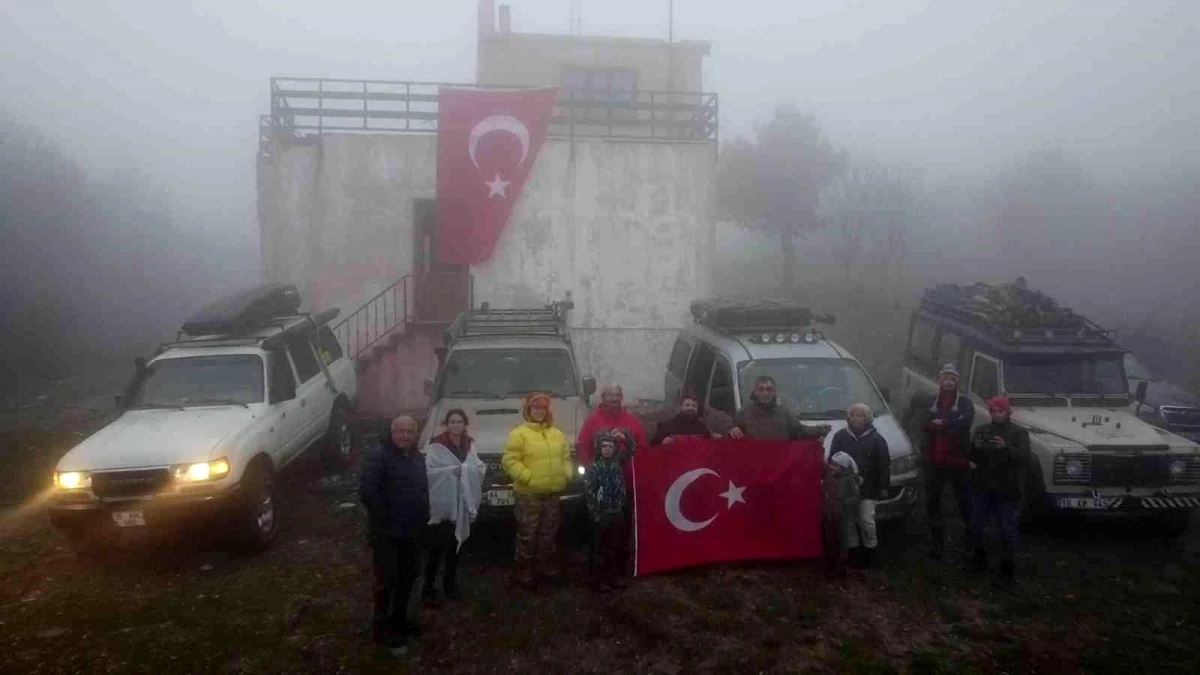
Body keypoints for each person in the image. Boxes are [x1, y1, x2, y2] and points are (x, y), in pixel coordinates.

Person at [359, 415, 429, 655]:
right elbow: (368, 492)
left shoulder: (416, 457)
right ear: (392, 432)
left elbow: (422, 490)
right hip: (387, 534)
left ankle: (400, 621)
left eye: (410, 431)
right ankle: (381, 629)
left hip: (412, 532)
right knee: (385, 582)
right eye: (401, 431)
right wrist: (389, 519)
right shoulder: (379, 456)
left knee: (407, 578)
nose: (406, 435)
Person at [902, 363, 975, 560]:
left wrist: (944, 423)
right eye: (946, 378)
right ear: (940, 380)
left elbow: (966, 422)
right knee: (933, 503)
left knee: (965, 503)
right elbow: (924, 423)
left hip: (958, 462)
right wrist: (950, 421)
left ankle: (972, 542)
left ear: (957, 383)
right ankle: (937, 545)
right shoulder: (931, 401)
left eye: (953, 379)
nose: (949, 382)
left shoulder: (965, 403)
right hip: (933, 461)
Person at [502, 392, 572, 588]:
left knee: (548, 532)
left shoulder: (557, 434)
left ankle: (545, 567)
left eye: (543, 408)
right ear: (528, 411)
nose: (539, 411)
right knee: (527, 533)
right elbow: (509, 460)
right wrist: (528, 478)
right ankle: (523, 571)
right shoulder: (519, 434)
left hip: (552, 493)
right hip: (528, 494)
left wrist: (566, 474)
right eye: (535, 408)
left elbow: (566, 457)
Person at [576, 384, 646, 577]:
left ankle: (620, 569)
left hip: (624, 484)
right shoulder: (593, 420)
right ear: (603, 397)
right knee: (600, 531)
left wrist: (626, 439)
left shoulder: (631, 421)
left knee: (622, 529)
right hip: (599, 486)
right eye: (610, 395)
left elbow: (641, 448)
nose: (614, 398)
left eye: (617, 395)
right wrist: (591, 468)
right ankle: (598, 571)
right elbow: (581, 445)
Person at [423, 408, 486, 603]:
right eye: (452, 421)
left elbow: (479, 467)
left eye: (459, 421)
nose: (455, 425)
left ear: (464, 424)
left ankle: (450, 586)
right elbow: (429, 472)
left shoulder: (469, 444)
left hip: (462, 502)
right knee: (436, 547)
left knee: (455, 548)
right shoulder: (436, 445)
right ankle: (428, 588)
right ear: (447, 424)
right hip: (443, 504)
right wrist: (451, 471)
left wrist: (466, 470)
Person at [969, 396, 1028, 587]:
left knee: (1006, 529)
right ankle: (979, 559)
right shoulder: (982, 430)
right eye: (993, 411)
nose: (997, 414)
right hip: (983, 486)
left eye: (1000, 411)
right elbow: (972, 458)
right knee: (976, 525)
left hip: (1007, 488)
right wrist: (975, 448)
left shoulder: (1019, 432)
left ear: (1008, 412)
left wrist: (1006, 448)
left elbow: (1023, 458)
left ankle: (1007, 568)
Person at [828, 403, 890, 567]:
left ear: (868, 419)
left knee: (866, 519)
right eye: (853, 414)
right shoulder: (840, 436)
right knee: (849, 520)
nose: (856, 418)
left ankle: (870, 549)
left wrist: (883, 486)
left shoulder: (877, 439)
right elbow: (832, 459)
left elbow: (884, 464)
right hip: (846, 488)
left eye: (861, 415)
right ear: (849, 417)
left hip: (868, 487)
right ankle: (853, 550)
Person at [585, 432, 628, 591]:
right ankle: (597, 580)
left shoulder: (616, 467)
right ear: (599, 449)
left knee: (613, 547)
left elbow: (622, 488)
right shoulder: (593, 468)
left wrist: (621, 507)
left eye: (611, 446)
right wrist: (595, 513)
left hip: (615, 512)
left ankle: (613, 577)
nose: (608, 449)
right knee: (599, 549)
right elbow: (589, 493)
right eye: (604, 446)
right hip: (600, 514)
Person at [729, 375, 832, 440]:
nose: (765, 393)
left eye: (769, 389)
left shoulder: (783, 413)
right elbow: (728, 435)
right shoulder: (743, 413)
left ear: (774, 392)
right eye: (761, 389)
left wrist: (819, 430)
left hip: (779, 466)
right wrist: (731, 431)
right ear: (755, 392)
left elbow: (801, 431)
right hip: (754, 464)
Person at [822, 451, 862, 578]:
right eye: (831, 464)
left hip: (841, 516)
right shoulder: (829, 476)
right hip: (828, 514)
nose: (832, 467)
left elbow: (856, 498)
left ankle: (841, 568)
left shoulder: (849, 480)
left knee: (841, 541)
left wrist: (843, 503)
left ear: (843, 467)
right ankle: (830, 565)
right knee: (829, 540)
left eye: (835, 465)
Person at [651, 389, 716, 445]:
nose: (691, 408)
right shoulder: (666, 426)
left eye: (694, 406)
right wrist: (662, 443)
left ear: (697, 409)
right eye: (687, 405)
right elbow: (653, 447)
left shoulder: (702, 428)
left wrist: (716, 439)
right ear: (681, 407)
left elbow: (709, 446)